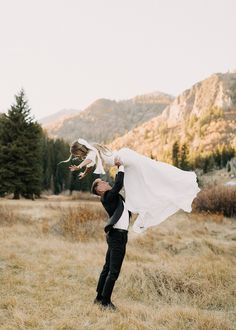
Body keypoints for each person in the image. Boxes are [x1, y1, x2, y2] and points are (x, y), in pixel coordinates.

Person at [67, 138, 201, 233]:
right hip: (125, 157)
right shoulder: (94, 149)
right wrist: (84, 173)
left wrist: (79, 166)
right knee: (148, 176)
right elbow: (90, 163)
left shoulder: (91, 152)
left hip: (124, 160)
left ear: (79, 150)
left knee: (142, 186)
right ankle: (162, 193)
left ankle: (160, 197)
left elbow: (89, 160)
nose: (78, 156)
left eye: (77, 154)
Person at [91, 157, 131, 310]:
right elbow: (118, 185)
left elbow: (117, 187)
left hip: (116, 235)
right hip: (117, 237)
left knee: (107, 268)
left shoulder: (108, 197)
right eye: (102, 182)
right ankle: (105, 302)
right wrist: (120, 168)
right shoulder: (107, 196)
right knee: (113, 271)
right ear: (99, 189)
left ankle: (99, 297)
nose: (105, 182)